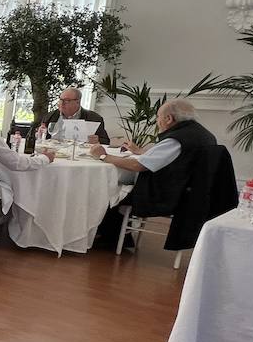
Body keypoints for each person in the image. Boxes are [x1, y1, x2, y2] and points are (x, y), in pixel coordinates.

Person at [89, 98, 216, 247]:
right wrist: (141, 151)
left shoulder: (177, 139)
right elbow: (173, 159)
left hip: (167, 195)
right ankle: (116, 236)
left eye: (158, 117)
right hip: (190, 192)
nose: (157, 121)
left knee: (108, 188)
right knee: (117, 184)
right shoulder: (201, 134)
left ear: (168, 118)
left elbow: (138, 165)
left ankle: (110, 237)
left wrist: (104, 156)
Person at [36, 87, 110, 145]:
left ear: (78, 102)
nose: (61, 103)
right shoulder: (50, 116)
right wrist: (39, 134)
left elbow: (106, 141)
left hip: (80, 157)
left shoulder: (94, 118)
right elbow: (41, 137)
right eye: (61, 100)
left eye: (66, 100)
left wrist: (97, 140)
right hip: (55, 154)